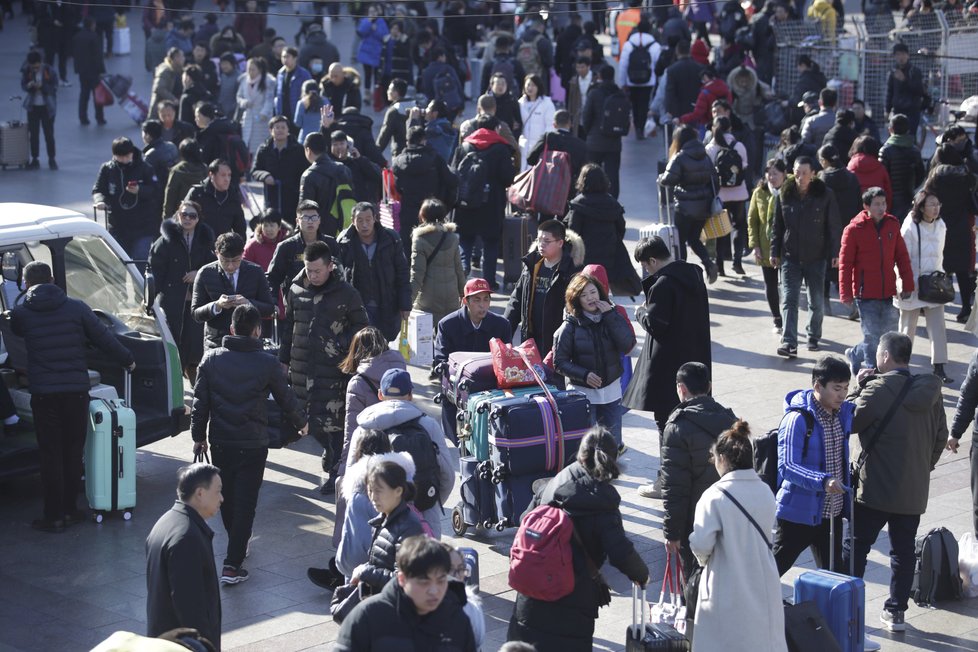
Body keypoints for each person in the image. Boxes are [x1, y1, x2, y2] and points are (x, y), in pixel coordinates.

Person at [7, 261, 136, 532]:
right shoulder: (76, 307)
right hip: (76, 392)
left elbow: (16, 330)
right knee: (73, 451)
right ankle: (71, 510)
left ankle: (53, 516)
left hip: (43, 394)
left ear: (26, 282)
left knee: (50, 454)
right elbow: (104, 338)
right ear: (53, 279)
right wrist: (128, 360)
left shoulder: (22, 313)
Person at [191, 304, 308, 585]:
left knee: (227, 498)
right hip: (254, 442)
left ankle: (236, 546)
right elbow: (285, 397)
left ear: (231, 329)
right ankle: (232, 563)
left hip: (221, 441)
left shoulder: (211, 359)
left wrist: (198, 436)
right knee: (246, 502)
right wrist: (302, 423)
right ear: (257, 330)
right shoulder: (266, 362)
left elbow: (199, 404)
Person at [507, 427, 649, 650]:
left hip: (530, 597)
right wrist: (641, 574)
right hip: (572, 599)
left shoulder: (553, 484)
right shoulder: (603, 501)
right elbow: (620, 551)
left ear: (580, 454)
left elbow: (525, 519)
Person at [844, 331, 948, 632]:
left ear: (885, 356)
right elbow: (941, 436)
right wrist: (921, 468)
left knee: (856, 546)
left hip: (874, 489)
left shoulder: (877, 388)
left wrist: (857, 387)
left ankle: (848, 605)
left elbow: (848, 421)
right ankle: (896, 613)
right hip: (912, 491)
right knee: (903, 552)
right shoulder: (930, 389)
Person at [625, 236, 712, 499]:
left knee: (667, 425)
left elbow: (657, 324)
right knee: (693, 423)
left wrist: (640, 312)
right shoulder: (694, 275)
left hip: (668, 371)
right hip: (695, 363)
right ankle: (692, 479)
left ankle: (666, 482)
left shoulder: (663, 284)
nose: (646, 271)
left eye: (645, 265)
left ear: (653, 260)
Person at [689, 420, 787, 652]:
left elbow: (702, 544)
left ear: (722, 459)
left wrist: (703, 560)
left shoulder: (714, 496)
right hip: (763, 580)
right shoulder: (765, 491)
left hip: (727, 584)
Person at [280, 241, 369, 494]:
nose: (313, 275)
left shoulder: (347, 294)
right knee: (311, 425)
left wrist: (337, 344)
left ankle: (335, 473)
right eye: (309, 270)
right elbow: (289, 329)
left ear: (331, 266)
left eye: (318, 270)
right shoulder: (296, 290)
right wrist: (283, 361)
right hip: (301, 370)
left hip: (334, 373)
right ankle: (330, 456)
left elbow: (363, 330)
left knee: (335, 427)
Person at [346, 368, 456, 537]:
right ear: (410, 395)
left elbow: (352, 480)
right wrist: (430, 501)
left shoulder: (364, 428)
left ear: (380, 394)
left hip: (375, 519)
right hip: (423, 516)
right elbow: (447, 474)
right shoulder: (428, 425)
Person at [772, 356, 854, 576]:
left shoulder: (841, 414)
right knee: (771, 572)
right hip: (798, 513)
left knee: (835, 576)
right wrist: (823, 480)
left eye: (846, 388)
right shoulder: (797, 419)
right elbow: (787, 466)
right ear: (817, 385)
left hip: (831, 513)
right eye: (837, 388)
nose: (842, 395)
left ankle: (827, 612)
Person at [658, 360, 738, 576]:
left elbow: (675, 487)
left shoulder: (677, 427)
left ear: (681, 388)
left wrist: (672, 532)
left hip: (696, 523)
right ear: (709, 386)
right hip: (730, 516)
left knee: (695, 585)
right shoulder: (730, 419)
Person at [334, 535, 477, 651]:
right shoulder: (366, 618)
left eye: (441, 581)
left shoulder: (456, 619)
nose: (434, 590)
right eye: (424, 581)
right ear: (402, 579)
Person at [553, 273, 635, 451]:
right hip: (583, 393)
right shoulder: (569, 326)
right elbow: (559, 362)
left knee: (613, 444)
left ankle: (609, 475)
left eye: (593, 292)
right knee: (586, 447)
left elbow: (628, 344)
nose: (590, 298)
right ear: (575, 299)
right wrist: (584, 375)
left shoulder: (611, 316)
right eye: (583, 295)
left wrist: (611, 316)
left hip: (612, 391)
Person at [145, 463, 223, 648]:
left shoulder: (166, 522)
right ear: (200, 493)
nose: (221, 498)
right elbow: (191, 607)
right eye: (218, 491)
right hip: (182, 645)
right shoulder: (187, 537)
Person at [771, 156, 842, 358]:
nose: (800, 177)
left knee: (816, 301)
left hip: (816, 256)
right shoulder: (784, 194)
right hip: (790, 256)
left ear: (813, 173)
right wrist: (774, 252)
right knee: (789, 299)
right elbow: (777, 226)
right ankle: (789, 341)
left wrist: (835, 253)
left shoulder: (825, 195)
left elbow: (834, 226)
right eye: (797, 172)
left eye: (804, 173)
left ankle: (813, 335)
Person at [840, 187, 914, 374]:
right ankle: (873, 372)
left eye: (884, 203)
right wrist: (845, 293)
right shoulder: (854, 229)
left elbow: (902, 256)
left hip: (887, 290)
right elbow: (845, 264)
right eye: (877, 204)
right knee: (872, 336)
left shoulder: (892, 224)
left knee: (887, 335)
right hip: (865, 294)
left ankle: (855, 354)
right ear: (866, 206)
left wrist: (907, 283)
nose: (882, 208)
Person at [434, 277, 512, 440]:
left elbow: (508, 361)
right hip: (457, 389)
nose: (482, 305)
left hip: (490, 390)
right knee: (458, 441)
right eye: (477, 300)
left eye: (486, 299)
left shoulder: (501, 325)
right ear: (465, 301)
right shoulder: (447, 325)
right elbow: (441, 360)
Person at [150, 200, 216, 384]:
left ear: (198, 218)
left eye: (192, 215)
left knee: (195, 342)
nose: (187, 218)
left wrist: (199, 273)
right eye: (184, 214)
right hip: (172, 301)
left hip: (196, 301)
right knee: (174, 341)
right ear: (178, 215)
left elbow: (214, 266)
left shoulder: (205, 240)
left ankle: (193, 376)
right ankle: (175, 381)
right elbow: (155, 271)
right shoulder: (164, 242)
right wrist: (150, 298)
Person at [505, 219, 585, 358]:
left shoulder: (571, 271)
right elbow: (516, 301)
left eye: (547, 241)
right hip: (530, 339)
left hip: (557, 341)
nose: (541, 244)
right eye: (539, 239)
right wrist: (504, 334)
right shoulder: (532, 264)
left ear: (560, 243)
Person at [894, 190, 951, 382]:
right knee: (907, 327)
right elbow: (902, 256)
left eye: (938, 204)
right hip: (913, 282)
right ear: (921, 207)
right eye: (931, 204)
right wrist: (903, 282)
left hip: (934, 283)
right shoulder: (910, 226)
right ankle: (901, 366)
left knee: (938, 326)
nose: (936, 208)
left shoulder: (941, 224)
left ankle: (940, 367)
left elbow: (940, 255)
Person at [454, 116, 516, 288]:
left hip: (467, 202)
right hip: (492, 203)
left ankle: (463, 275)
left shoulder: (465, 146)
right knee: (491, 242)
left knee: (465, 240)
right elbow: (508, 178)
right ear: (496, 128)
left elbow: (455, 172)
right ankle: (489, 281)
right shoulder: (502, 149)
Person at [336, 202, 411, 342]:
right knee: (361, 344)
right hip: (357, 304)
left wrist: (405, 304)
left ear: (375, 219)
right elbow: (338, 275)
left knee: (382, 343)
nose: (364, 224)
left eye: (368, 220)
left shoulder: (391, 239)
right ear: (353, 221)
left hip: (387, 301)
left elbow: (402, 273)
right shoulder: (344, 241)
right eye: (360, 220)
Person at [191, 232, 275, 351]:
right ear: (217, 254)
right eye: (225, 261)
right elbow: (195, 313)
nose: (230, 266)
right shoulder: (205, 273)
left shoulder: (255, 272)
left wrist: (248, 303)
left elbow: (269, 308)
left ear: (242, 254)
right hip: (216, 344)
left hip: (249, 343)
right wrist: (217, 306)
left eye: (236, 261)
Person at [332, 429, 398, 581]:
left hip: (363, 576)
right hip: (391, 572)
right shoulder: (399, 484)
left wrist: (343, 565)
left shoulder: (358, 496)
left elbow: (355, 546)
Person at [564, 164, 637, 295]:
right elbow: (621, 227)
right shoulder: (612, 203)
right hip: (609, 253)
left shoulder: (578, 204)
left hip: (585, 254)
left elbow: (572, 231)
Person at [658, 125, 720, 281]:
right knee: (694, 239)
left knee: (680, 241)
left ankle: (682, 274)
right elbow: (714, 179)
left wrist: (662, 177)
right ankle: (709, 263)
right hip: (703, 208)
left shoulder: (680, 157)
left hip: (685, 207)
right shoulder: (705, 156)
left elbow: (668, 179)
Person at [926, 143, 977, 323]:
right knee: (963, 271)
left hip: (940, 228)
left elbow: (925, 200)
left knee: (941, 270)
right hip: (961, 228)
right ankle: (965, 308)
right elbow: (973, 206)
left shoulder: (934, 178)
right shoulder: (965, 177)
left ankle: (937, 305)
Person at [392, 126, 459, 255]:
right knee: (432, 252)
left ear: (407, 141)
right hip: (432, 211)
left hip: (408, 212)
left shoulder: (398, 162)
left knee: (409, 251)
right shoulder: (435, 159)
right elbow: (451, 181)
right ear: (423, 140)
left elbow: (397, 187)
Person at [92, 137, 160, 263]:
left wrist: (140, 190)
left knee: (140, 261)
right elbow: (98, 189)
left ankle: (140, 283)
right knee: (118, 263)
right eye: (120, 157)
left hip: (142, 227)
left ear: (132, 153)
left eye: (127, 156)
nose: (124, 160)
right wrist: (100, 200)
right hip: (118, 226)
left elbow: (155, 190)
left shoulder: (145, 168)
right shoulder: (108, 169)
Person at [266, 200, 340, 300]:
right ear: (297, 221)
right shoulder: (286, 247)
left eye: (314, 217)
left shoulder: (331, 244)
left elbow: (340, 275)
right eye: (305, 217)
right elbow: (272, 278)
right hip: (296, 304)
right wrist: (273, 303)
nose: (310, 221)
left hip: (327, 302)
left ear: (319, 220)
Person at [705, 115, 750, 277]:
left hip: (719, 196)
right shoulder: (739, 146)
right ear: (730, 128)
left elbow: (707, 173)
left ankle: (720, 265)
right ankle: (737, 261)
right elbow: (744, 168)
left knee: (721, 230)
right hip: (739, 193)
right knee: (739, 226)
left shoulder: (710, 148)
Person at [410, 198, 466, 327]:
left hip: (428, 301)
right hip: (451, 298)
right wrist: (463, 293)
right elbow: (459, 268)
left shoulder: (420, 240)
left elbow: (417, 274)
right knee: (448, 338)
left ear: (423, 215)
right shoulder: (452, 237)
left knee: (426, 342)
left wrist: (408, 302)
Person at [749, 158, 788, 332]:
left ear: (784, 174)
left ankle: (789, 318)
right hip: (766, 246)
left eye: (775, 173)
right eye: (769, 173)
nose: (771, 177)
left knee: (788, 285)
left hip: (788, 246)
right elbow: (753, 221)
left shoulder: (791, 190)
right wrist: (754, 245)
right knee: (770, 284)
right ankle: (777, 318)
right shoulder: (759, 192)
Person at [251, 116, 309, 226]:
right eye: (277, 127)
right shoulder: (264, 149)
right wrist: (265, 176)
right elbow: (254, 171)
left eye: (283, 127)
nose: (280, 130)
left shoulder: (298, 149)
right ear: (271, 130)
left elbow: (305, 171)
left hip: (293, 197)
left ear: (288, 130)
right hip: (271, 197)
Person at [299, 132, 355, 237]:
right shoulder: (344, 169)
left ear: (308, 150)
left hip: (320, 230)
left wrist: (299, 232)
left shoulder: (309, 175)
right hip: (346, 225)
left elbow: (304, 208)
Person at [528, 110, 588, 209]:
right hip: (568, 189)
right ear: (570, 124)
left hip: (547, 187)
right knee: (565, 218)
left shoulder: (547, 138)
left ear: (554, 124)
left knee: (545, 220)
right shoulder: (580, 144)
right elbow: (584, 169)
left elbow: (530, 159)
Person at [581, 65, 625, 198]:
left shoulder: (594, 93)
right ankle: (612, 201)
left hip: (595, 141)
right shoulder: (619, 93)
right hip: (614, 141)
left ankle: (591, 199)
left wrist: (588, 133)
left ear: (600, 76)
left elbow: (586, 116)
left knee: (591, 172)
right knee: (613, 174)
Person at [242, 208, 288, 335]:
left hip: (284, 299)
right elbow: (244, 270)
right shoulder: (252, 246)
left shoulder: (287, 244)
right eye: (265, 225)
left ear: (279, 226)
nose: (269, 229)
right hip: (260, 300)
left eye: (272, 225)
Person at [617, 17, 660, 139]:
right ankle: (642, 125)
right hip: (648, 81)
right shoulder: (655, 45)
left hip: (632, 80)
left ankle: (637, 127)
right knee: (644, 104)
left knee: (635, 105)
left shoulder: (629, 44)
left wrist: (622, 82)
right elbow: (658, 66)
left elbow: (623, 65)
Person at [880, 113, 926, 222]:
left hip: (889, 198)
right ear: (908, 130)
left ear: (890, 129)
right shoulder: (914, 150)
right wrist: (912, 186)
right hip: (908, 195)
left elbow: (881, 175)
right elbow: (921, 174)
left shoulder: (886, 150)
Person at [184, 159, 247, 239]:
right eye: (223, 175)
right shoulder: (197, 193)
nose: (227, 179)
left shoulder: (233, 196)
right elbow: (183, 219)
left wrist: (238, 247)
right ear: (211, 175)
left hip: (223, 247)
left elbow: (240, 227)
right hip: (198, 244)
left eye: (229, 175)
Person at [20, 50, 58, 171]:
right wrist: (29, 86)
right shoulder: (27, 70)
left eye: (37, 67)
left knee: (49, 134)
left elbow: (55, 87)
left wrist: (43, 87)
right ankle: (35, 158)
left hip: (47, 107)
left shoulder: (49, 71)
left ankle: (51, 158)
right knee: (33, 134)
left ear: (41, 62)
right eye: (33, 67)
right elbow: (23, 84)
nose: (35, 69)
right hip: (33, 107)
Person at [886, 43, 927, 139]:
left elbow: (919, 91)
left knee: (910, 138)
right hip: (897, 110)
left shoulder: (915, 71)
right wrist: (887, 110)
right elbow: (890, 92)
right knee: (895, 137)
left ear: (908, 55)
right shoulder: (893, 72)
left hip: (912, 110)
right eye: (898, 54)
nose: (901, 57)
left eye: (903, 54)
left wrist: (904, 80)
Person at [236, 57, 276, 156]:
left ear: (260, 70)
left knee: (260, 146)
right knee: (247, 145)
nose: (250, 72)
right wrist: (244, 103)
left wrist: (264, 113)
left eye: (253, 69)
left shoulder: (268, 81)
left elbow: (269, 100)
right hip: (248, 117)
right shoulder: (244, 80)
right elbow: (239, 96)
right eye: (249, 69)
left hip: (262, 119)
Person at [330, 130, 382, 204]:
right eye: (335, 144)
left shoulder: (356, 162)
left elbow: (376, 176)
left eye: (342, 143)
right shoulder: (329, 164)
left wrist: (360, 159)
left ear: (347, 145)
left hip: (357, 206)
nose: (339, 147)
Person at [517, 74, 556, 171]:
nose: (530, 88)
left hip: (539, 146)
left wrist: (544, 143)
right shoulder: (520, 103)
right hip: (523, 145)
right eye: (528, 85)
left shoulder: (546, 103)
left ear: (539, 86)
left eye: (533, 85)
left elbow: (550, 126)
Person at [162, 138, 208, 221]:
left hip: (183, 216)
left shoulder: (177, 171)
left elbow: (170, 196)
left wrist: (166, 219)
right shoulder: (205, 169)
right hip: (202, 215)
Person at [72, 16, 106, 126]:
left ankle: (83, 117)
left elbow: (75, 54)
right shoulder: (94, 37)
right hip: (93, 71)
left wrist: (77, 68)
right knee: (97, 95)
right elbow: (98, 56)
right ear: (92, 25)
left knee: (84, 94)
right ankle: (99, 117)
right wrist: (101, 70)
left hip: (82, 71)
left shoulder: (77, 37)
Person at [847, 136, 893, 212]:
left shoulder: (850, 167)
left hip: (856, 211)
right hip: (878, 211)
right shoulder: (880, 168)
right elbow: (888, 192)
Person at [274, 46, 311, 131]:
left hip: (297, 113)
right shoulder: (280, 74)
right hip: (283, 113)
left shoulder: (303, 74)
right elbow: (277, 94)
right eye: (283, 57)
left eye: (287, 57)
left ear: (295, 58)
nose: (285, 59)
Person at [376, 77, 412, 159]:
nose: (388, 92)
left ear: (396, 92)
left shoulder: (394, 111)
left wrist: (375, 154)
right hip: (417, 153)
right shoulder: (415, 106)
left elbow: (384, 136)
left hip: (399, 153)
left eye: (389, 89)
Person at [151, 49, 185, 122]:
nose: (183, 59)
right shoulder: (165, 71)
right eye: (181, 56)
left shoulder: (179, 70)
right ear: (175, 58)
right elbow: (159, 88)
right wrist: (174, 99)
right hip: (162, 109)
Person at [142, 120, 179, 187]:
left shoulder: (150, 155)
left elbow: (145, 176)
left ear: (147, 135)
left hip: (161, 190)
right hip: (176, 184)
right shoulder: (172, 145)